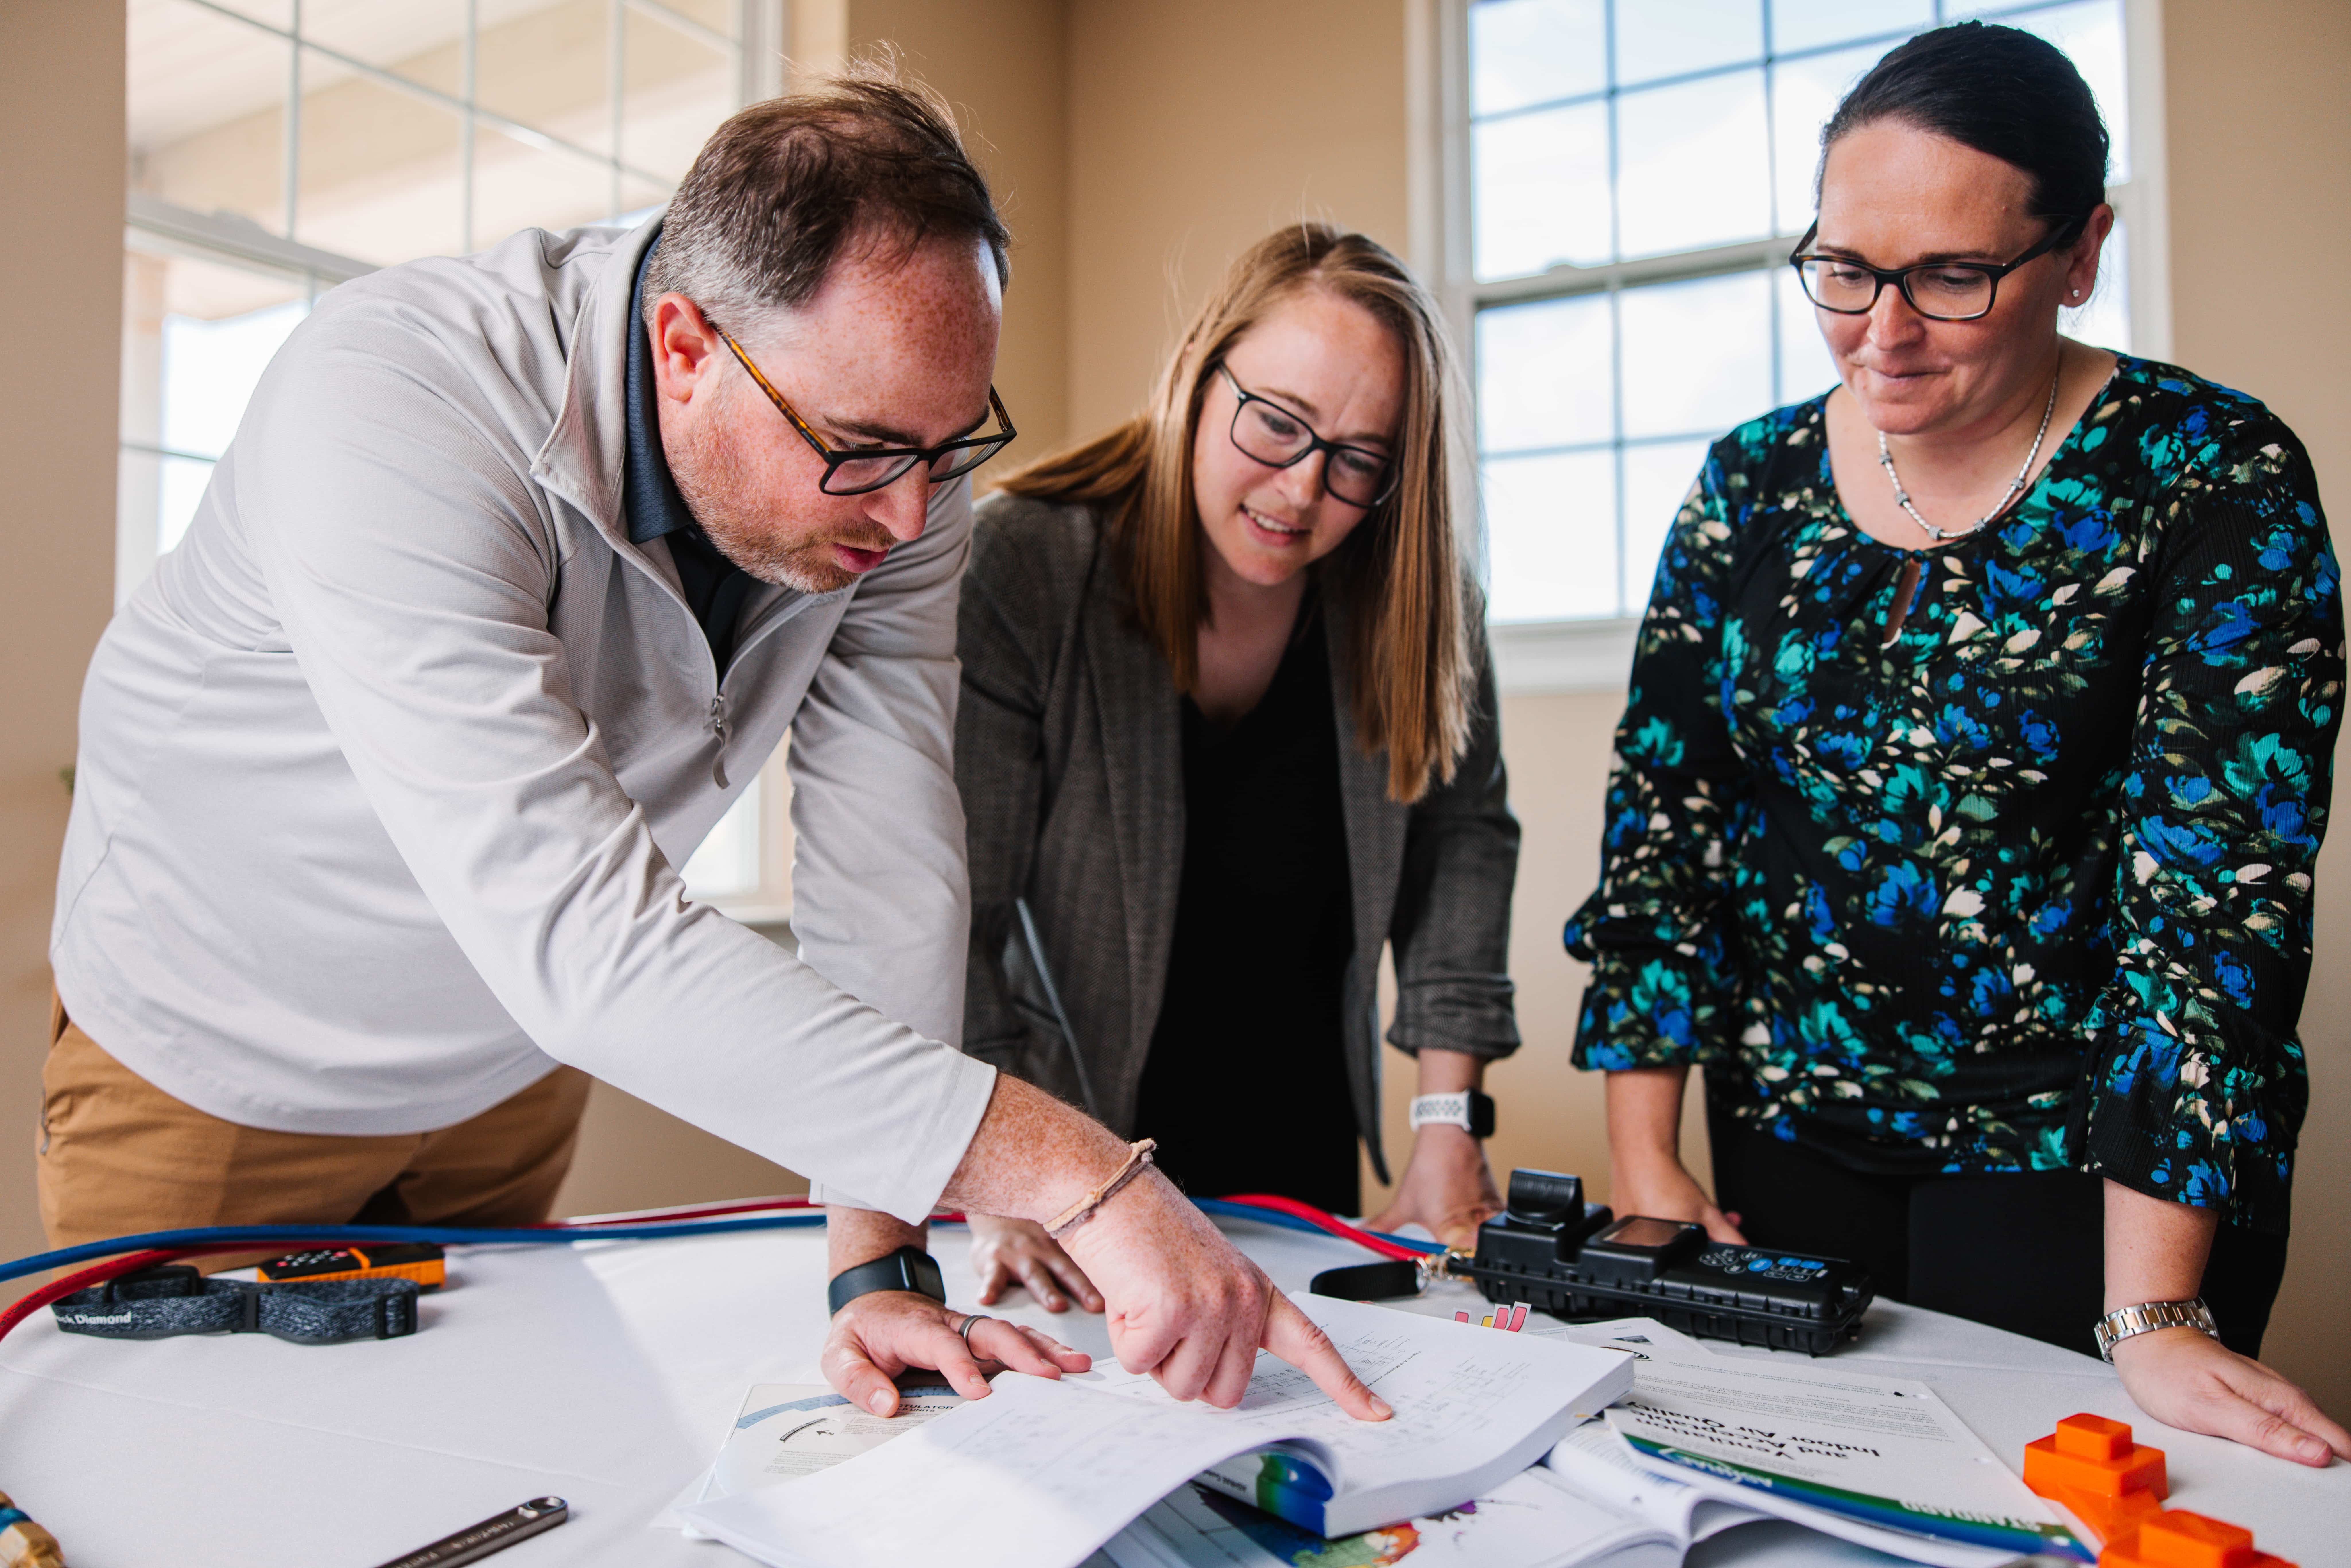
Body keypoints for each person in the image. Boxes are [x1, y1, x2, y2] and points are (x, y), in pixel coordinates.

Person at [43, 74, 1384, 1424]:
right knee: (186, 1481)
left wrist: (878, 1258)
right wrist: (1084, 1173)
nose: (914, 510)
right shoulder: (394, 398)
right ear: (683, 346)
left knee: (471, 1455)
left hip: (508, 1074)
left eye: (947, 448)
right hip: (221, 1062)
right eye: (862, 452)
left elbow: (888, 857)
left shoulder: (899, 461)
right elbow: (585, 935)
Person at [1567, 22, 2349, 1466]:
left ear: (2080, 249)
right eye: (1843, 270)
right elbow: (1667, 820)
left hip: (2087, 1164)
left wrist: (2151, 1313)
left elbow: (2214, 896)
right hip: (1790, 1125)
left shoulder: (2208, 477)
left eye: (1949, 277)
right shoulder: (1747, 484)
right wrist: (1643, 1158)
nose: (1880, 330)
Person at [936, 224, 1520, 1316]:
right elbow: (955, 908)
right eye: (1278, 424)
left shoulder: (1422, 605)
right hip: (1070, 1174)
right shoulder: (1026, 566)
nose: (1302, 492)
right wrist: (1002, 1179)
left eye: (1358, 461)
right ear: (1202, 375)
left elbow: (1463, 848)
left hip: (1300, 1156)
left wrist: (1446, 1123)